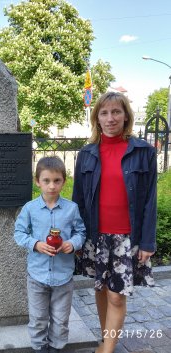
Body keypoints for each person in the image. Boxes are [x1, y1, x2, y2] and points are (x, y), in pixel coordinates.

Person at [73, 92, 156, 353]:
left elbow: (150, 200)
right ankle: (106, 338)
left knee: (116, 296)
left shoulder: (143, 152)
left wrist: (147, 241)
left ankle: (107, 350)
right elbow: (78, 200)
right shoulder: (86, 154)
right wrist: (77, 236)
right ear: (97, 118)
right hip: (95, 235)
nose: (111, 118)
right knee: (100, 289)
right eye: (104, 113)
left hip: (127, 237)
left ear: (126, 116)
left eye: (116, 112)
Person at [14, 156, 86, 353]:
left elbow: (81, 232)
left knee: (61, 319)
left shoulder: (71, 208)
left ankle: (56, 348)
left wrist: (72, 243)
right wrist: (36, 244)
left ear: (64, 181)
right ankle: (39, 348)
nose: (52, 186)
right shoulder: (30, 208)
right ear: (38, 181)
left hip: (63, 276)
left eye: (57, 181)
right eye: (46, 181)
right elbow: (19, 233)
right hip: (37, 276)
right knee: (38, 318)